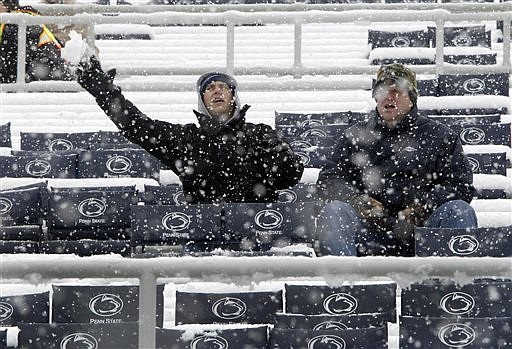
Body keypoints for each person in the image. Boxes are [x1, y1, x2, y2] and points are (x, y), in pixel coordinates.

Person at [76, 57, 305, 205]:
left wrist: (282, 156)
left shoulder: (260, 134)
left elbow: (290, 176)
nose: (217, 91)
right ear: (202, 100)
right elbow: (136, 126)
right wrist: (103, 91)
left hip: (258, 231)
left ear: (233, 96)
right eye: (209, 88)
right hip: (201, 233)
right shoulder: (186, 139)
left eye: (223, 87)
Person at [316, 63, 477, 257]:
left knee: (459, 210)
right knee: (334, 211)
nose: (388, 97)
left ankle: (454, 286)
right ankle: (343, 286)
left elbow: (460, 186)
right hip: (369, 233)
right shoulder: (354, 136)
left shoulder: (440, 135)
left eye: (397, 91)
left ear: (412, 98)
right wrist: (357, 200)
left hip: (424, 232)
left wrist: (424, 206)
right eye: (383, 91)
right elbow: (329, 180)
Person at [0, 0, 72, 83]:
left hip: (47, 84)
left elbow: (12, 68)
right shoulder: (17, 20)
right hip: (44, 78)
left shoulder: (17, 24)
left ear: (5, 5)